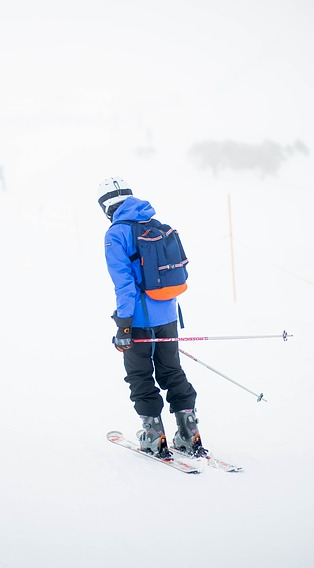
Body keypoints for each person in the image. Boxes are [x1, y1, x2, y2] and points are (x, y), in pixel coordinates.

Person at [97, 176, 206, 458]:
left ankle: (153, 435)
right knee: (172, 371)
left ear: (106, 206)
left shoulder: (116, 234)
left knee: (140, 375)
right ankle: (188, 433)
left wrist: (124, 325)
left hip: (138, 320)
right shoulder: (155, 225)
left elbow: (124, 284)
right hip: (168, 313)